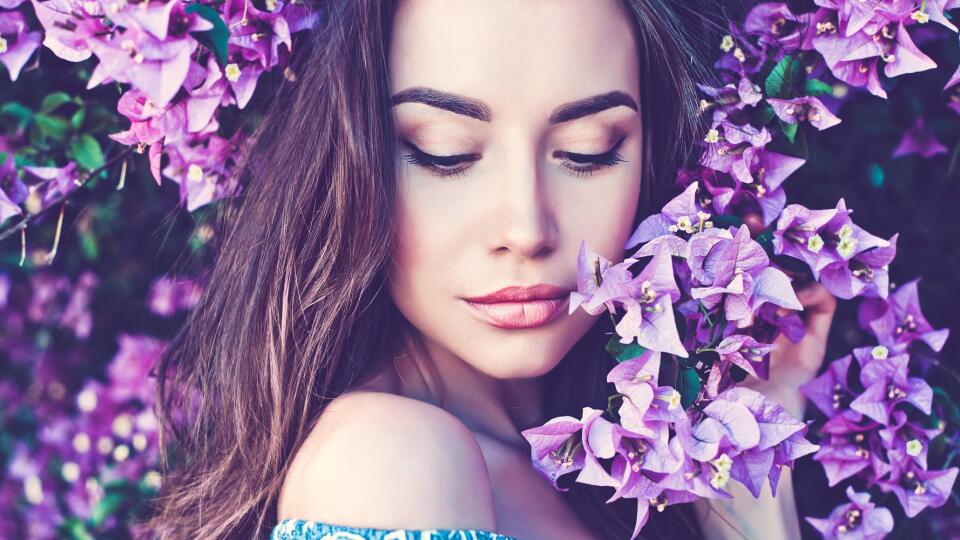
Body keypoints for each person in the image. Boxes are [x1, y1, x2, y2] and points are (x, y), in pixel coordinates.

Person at [143, 1, 837, 539]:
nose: (526, 229)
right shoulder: (390, 462)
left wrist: (752, 425)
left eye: (588, 151)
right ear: (352, 166)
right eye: (446, 153)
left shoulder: (600, 465)